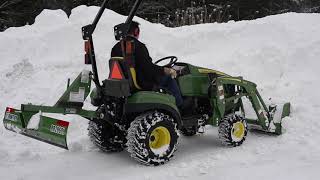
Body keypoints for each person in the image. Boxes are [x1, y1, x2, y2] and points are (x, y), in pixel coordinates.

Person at [111, 21, 183, 107]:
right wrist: (165, 70)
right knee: (169, 79)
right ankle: (180, 106)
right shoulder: (139, 47)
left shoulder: (115, 48)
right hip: (142, 82)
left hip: (126, 82)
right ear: (136, 31)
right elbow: (148, 69)